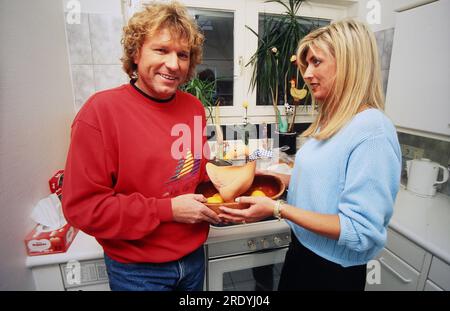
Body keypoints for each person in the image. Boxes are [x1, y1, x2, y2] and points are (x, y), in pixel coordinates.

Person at [219, 19, 402, 291]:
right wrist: (271, 176)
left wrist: (278, 209)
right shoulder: (336, 121)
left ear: (349, 64)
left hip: (331, 272)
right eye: (307, 64)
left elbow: (360, 231)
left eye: (316, 62)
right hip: (303, 253)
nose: (306, 73)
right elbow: (325, 182)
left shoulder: (373, 130)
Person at [62, 1, 221, 291]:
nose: (173, 64)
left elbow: (196, 173)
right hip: (137, 271)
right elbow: (83, 208)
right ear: (136, 53)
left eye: (182, 55)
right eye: (161, 50)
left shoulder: (194, 108)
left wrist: (228, 194)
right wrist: (167, 210)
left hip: (193, 259)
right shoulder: (100, 112)